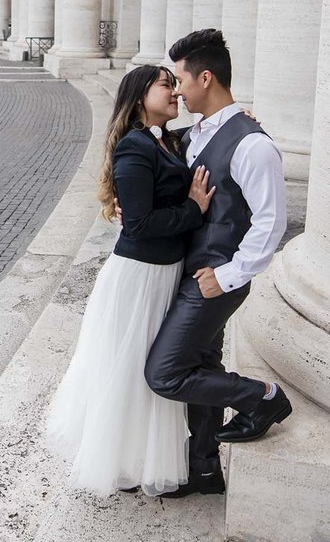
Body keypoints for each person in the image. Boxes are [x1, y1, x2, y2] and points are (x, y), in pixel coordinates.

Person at [46, 65, 214, 496]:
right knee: (128, 371)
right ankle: (121, 463)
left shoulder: (169, 140)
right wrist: (193, 209)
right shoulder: (134, 148)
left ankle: (136, 458)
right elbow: (137, 224)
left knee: (147, 371)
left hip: (161, 274)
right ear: (141, 96)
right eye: (166, 85)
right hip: (139, 278)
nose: (175, 91)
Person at [143, 28, 290, 499]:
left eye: (181, 81)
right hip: (188, 271)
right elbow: (149, 151)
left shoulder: (253, 146)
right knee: (202, 363)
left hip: (214, 279)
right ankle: (203, 469)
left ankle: (263, 399)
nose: (178, 91)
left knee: (165, 373)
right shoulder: (195, 134)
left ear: (205, 78)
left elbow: (271, 222)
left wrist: (228, 276)